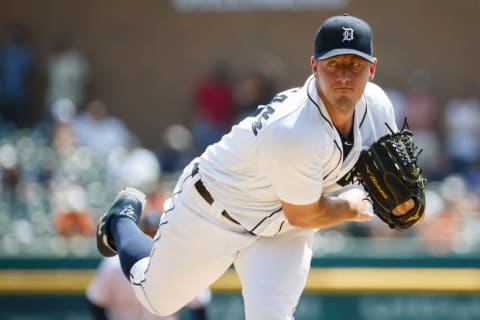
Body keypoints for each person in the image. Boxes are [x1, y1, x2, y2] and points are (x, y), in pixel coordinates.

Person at [96, 14, 415, 319]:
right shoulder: (294, 130)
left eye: (355, 64)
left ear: (372, 69)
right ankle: (121, 220)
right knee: (157, 300)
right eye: (334, 64)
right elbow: (304, 213)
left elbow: (387, 176)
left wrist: (403, 203)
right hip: (215, 209)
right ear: (314, 67)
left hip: (282, 226)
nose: (345, 75)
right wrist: (349, 208)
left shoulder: (378, 106)